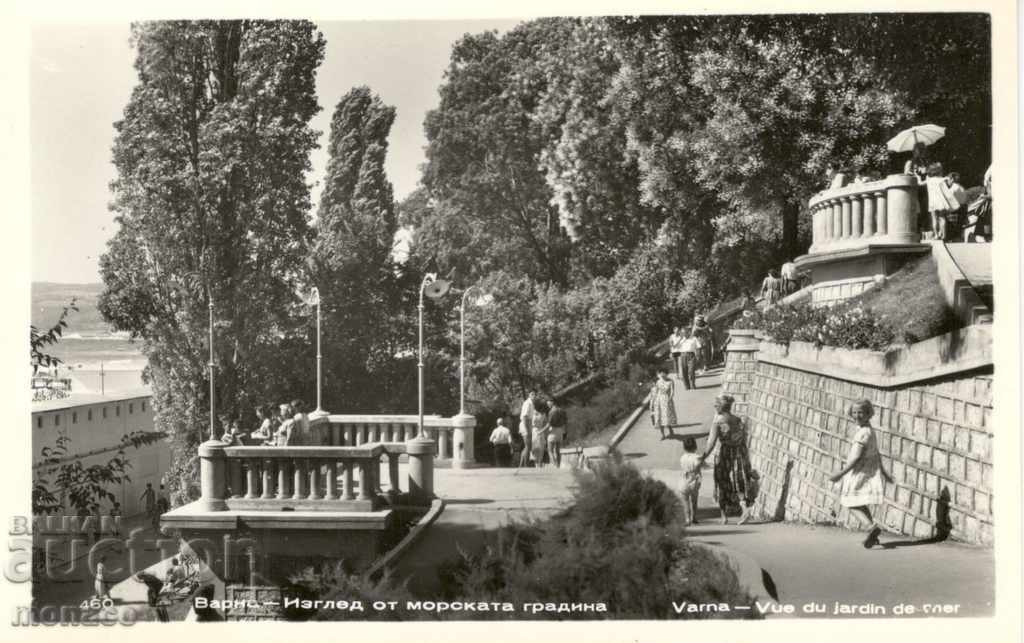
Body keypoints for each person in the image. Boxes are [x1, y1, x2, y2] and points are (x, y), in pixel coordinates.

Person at [829, 399, 894, 548]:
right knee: (860, 501)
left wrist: (840, 473)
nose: (857, 415)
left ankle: (870, 527)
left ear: (868, 414)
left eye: (861, 413)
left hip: (858, 471)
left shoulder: (862, 434)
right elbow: (877, 453)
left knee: (849, 502)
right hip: (868, 470)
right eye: (854, 412)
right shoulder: (868, 429)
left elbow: (857, 457)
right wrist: (884, 472)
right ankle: (872, 534)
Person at [699, 394, 756, 525]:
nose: (714, 407)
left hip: (725, 454)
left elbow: (711, 443)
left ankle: (723, 516)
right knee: (739, 481)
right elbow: (744, 437)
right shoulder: (737, 420)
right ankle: (744, 508)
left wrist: (703, 457)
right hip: (740, 453)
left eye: (716, 405)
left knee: (722, 481)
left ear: (720, 407)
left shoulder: (717, 423)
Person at [925, 162, 959, 241]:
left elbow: (920, 183)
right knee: (942, 218)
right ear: (939, 171)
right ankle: (943, 235)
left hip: (932, 202)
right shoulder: (942, 180)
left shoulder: (929, 180)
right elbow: (947, 191)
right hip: (940, 202)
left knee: (934, 218)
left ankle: (936, 235)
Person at [678, 437, 703, 525]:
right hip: (694, 481)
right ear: (695, 446)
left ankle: (687, 518)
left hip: (684, 481)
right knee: (694, 501)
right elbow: (698, 465)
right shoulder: (697, 457)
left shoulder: (682, 457)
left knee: (685, 501)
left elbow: (682, 466)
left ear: (684, 447)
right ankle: (694, 517)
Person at [649, 368, 677, 440]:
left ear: (666, 373)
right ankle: (663, 434)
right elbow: (656, 392)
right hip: (659, 401)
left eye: (664, 373)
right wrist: (653, 403)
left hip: (667, 400)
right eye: (661, 373)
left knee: (667, 417)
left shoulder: (671, 381)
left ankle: (670, 429)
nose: (662, 374)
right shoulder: (658, 382)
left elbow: (672, 392)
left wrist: (670, 398)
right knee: (659, 417)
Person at [547, 398, 567, 469]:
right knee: (558, 451)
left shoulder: (551, 412)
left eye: (548, 403)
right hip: (560, 431)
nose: (548, 405)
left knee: (550, 450)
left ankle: (555, 464)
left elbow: (549, 424)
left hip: (553, 431)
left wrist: (541, 431)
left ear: (552, 402)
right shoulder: (562, 411)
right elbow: (565, 422)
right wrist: (565, 432)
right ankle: (558, 465)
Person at [518, 391, 536, 468]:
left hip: (529, 424)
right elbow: (524, 417)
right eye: (532, 394)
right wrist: (526, 429)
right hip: (525, 424)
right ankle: (526, 465)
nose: (534, 396)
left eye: (535, 394)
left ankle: (522, 464)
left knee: (528, 446)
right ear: (529, 395)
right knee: (528, 445)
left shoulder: (532, 403)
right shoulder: (527, 403)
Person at [530, 399, 550, 467]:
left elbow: (532, 423)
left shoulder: (534, 413)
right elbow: (546, 424)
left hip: (535, 431)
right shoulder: (543, 414)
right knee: (540, 449)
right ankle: (539, 465)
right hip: (540, 431)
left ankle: (537, 465)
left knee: (536, 449)